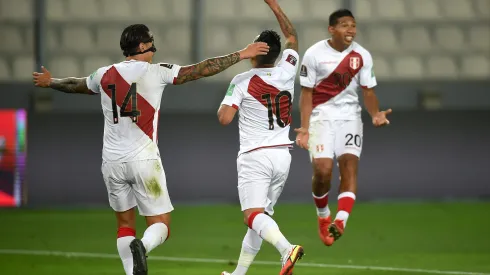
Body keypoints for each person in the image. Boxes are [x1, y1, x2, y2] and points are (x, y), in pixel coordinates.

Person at [32, 24, 269, 275]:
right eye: (150, 41)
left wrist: (51, 82)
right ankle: (142, 246)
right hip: (144, 161)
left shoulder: (104, 74)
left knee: (124, 224)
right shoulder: (156, 72)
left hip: (111, 162)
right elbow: (201, 69)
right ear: (143, 46)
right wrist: (241, 54)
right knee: (162, 226)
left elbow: (75, 84)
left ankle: (132, 271)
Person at [217, 1, 302, 274]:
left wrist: (229, 100)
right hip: (282, 156)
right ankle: (239, 274)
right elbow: (292, 37)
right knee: (260, 218)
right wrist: (274, 5)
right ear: (277, 55)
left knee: (252, 216)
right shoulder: (288, 68)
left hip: (256, 156)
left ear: (255, 54)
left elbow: (224, 118)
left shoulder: (243, 80)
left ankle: (287, 249)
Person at [295, 9, 392, 246]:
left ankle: (340, 221)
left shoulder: (362, 55)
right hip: (321, 118)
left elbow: (368, 91)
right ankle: (323, 215)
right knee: (323, 171)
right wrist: (305, 128)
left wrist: (375, 114)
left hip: (350, 118)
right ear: (332, 29)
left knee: (349, 167)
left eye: (353, 25)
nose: (351, 30)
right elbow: (306, 93)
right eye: (345, 25)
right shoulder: (314, 54)